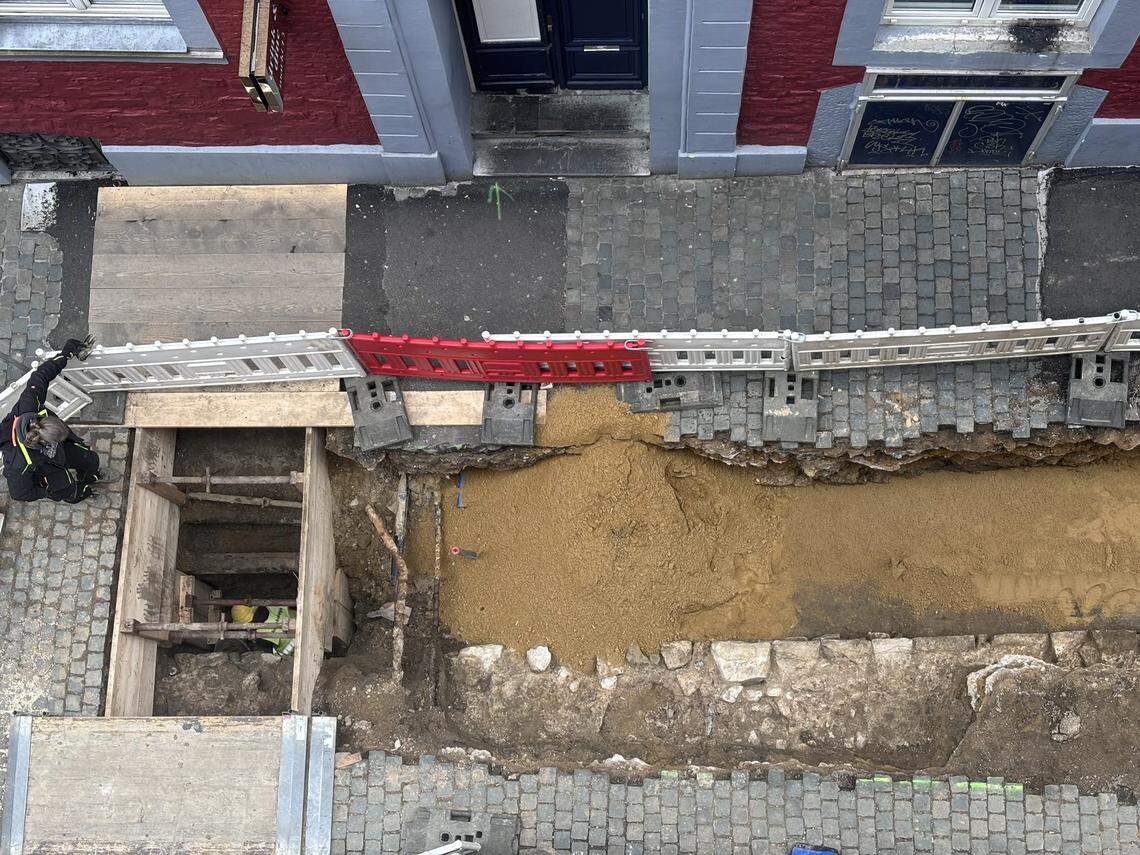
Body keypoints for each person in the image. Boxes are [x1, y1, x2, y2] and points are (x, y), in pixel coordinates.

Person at [1, 336, 103, 504]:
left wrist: (66, 354)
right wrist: (46, 491)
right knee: (70, 490)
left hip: (60, 452)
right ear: (44, 441)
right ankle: (81, 491)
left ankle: (89, 473)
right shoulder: (18, 463)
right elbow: (19, 494)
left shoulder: (29, 405)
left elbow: (40, 376)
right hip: (46, 470)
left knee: (90, 458)